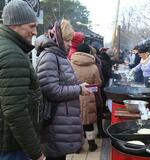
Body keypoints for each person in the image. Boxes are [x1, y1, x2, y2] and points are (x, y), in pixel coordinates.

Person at [35, 19, 89, 160]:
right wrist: (78, 89)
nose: (70, 44)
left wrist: (77, 86)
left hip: (60, 121)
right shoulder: (50, 56)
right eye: (67, 40)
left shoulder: (57, 56)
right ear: (58, 38)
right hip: (54, 122)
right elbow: (51, 90)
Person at [0, 1, 44, 160]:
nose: (35, 32)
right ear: (14, 25)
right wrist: (37, 153)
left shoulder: (7, 48)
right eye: (31, 26)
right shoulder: (12, 55)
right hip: (11, 146)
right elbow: (15, 112)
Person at [71, 43, 102, 151]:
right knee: (88, 122)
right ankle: (92, 144)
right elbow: (98, 83)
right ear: (88, 52)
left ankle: (77, 147)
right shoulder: (93, 66)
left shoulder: (70, 64)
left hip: (74, 95)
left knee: (76, 122)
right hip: (89, 96)